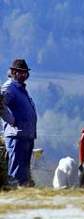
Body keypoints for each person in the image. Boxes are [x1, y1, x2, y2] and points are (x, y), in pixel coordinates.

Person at [0, 59, 37, 187]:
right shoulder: (10, 87)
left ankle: (23, 196)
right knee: (16, 171)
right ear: (13, 72)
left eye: (25, 72)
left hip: (26, 136)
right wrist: (11, 120)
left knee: (24, 171)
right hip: (16, 136)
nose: (23, 75)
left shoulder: (20, 88)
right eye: (20, 72)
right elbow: (0, 104)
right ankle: (14, 195)